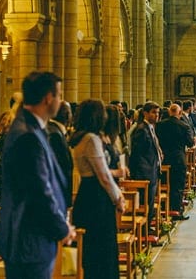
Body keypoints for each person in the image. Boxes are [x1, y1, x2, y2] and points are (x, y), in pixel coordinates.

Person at [0, 71, 76, 278]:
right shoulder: (27, 136)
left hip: (33, 237)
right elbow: (39, 191)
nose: (60, 100)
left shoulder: (33, 129)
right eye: (59, 95)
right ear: (48, 98)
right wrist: (62, 228)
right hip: (29, 240)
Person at [70, 99, 125, 279]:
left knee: (90, 251)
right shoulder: (91, 139)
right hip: (97, 199)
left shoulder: (78, 136)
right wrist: (118, 198)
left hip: (86, 195)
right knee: (103, 249)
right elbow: (103, 175)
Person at [155, 104, 192, 220]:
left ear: (170, 112)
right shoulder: (184, 126)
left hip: (164, 159)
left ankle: (164, 210)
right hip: (178, 159)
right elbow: (190, 143)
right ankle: (176, 211)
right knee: (177, 186)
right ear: (179, 113)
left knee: (165, 184)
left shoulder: (160, 125)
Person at [128, 101, 162, 224]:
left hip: (152, 170)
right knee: (146, 203)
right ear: (145, 113)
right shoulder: (141, 129)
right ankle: (145, 231)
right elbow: (137, 154)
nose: (156, 115)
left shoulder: (150, 128)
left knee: (150, 202)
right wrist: (142, 173)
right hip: (145, 173)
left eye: (158, 113)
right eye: (153, 112)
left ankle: (148, 229)